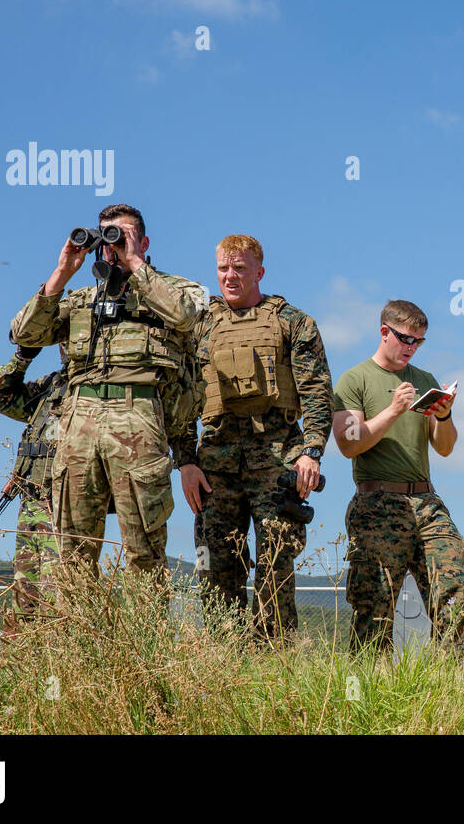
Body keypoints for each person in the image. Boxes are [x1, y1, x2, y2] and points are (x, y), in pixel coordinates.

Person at [10, 203, 205, 579]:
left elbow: (184, 316)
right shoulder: (81, 300)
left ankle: (145, 638)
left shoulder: (175, 289)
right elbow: (24, 334)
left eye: (123, 236)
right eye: (106, 237)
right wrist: (62, 272)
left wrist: (134, 264)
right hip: (78, 418)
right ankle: (81, 637)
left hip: (139, 413)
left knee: (143, 548)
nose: (111, 246)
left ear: (144, 242)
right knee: (72, 550)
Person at [174, 235, 333, 638]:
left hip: (277, 457)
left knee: (276, 566)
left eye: (240, 268)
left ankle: (274, 667)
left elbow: (316, 389)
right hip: (215, 462)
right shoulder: (199, 325)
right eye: (224, 269)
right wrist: (185, 461)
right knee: (216, 569)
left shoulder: (292, 322)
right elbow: (179, 395)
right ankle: (224, 666)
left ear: (259, 272)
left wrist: (311, 451)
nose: (231, 276)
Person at [331, 300, 464, 652]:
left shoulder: (425, 380)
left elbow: (446, 448)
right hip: (377, 501)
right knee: (373, 606)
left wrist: (444, 415)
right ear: (384, 332)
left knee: (453, 590)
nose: (411, 347)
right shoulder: (355, 379)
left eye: (418, 342)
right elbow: (349, 444)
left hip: (426, 501)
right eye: (406, 338)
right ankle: (364, 694)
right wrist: (393, 411)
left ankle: (452, 687)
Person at [0, 339, 71, 619]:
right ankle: (22, 658)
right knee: (24, 595)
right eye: (64, 340)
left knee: (55, 595)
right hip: (31, 500)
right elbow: (0, 396)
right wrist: (22, 357)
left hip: (62, 503)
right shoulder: (52, 385)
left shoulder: (92, 392)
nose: (66, 346)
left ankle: (56, 659)